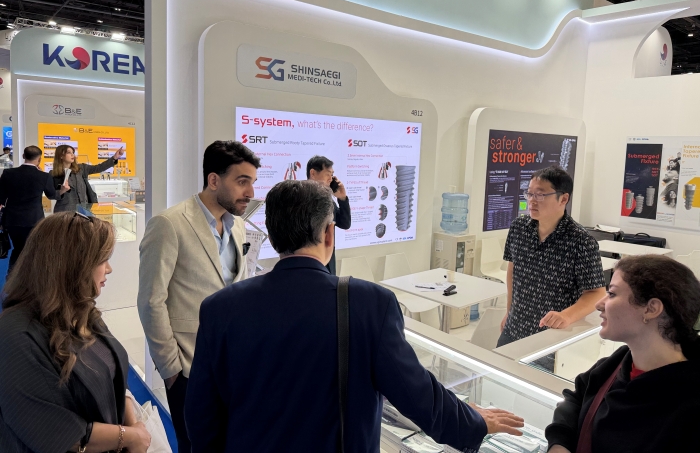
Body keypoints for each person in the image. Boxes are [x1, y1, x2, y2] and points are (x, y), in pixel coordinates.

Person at [185, 180, 524, 452]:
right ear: (329, 234)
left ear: (272, 238)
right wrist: (473, 422)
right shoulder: (369, 303)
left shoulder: (220, 308)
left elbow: (200, 414)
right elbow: (416, 393)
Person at [138, 140, 259, 453]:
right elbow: (151, 301)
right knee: (194, 445)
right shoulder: (169, 224)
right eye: (242, 181)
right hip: (188, 367)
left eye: (252, 182)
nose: (250, 192)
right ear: (214, 180)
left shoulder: (238, 226)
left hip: (232, 364)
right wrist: (171, 371)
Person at [0, 212, 151, 453]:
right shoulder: (16, 337)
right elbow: (53, 431)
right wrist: (129, 437)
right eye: (102, 260)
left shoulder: (82, 311)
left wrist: (132, 426)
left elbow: (113, 374)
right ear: (74, 265)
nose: (109, 269)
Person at [546, 255, 700, 453]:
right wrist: (560, 444)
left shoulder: (689, 409)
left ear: (651, 309)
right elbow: (576, 399)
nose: (599, 304)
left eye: (611, 294)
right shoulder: (619, 362)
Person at [498, 166, 606, 348]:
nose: (532, 201)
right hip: (515, 327)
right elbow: (513, 270)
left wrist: (566, 316)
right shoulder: (518, 228)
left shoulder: (581, 241)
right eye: (529, 194)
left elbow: (597, 293)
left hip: (551, 336)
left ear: (563, 199)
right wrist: (509, 311)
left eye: (540, 195)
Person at [0, 145, 56, 268]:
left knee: (18, 249)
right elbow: (52, 195)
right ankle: (30, 276)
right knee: (33, 250)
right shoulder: (44, 176)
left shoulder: (8, 173)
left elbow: (1, 198)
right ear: (39, 159)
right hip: (34, 219)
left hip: (12, 219)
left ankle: (12, 275)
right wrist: (62, 190)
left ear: (23, 156)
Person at [306, 155, 351, 274]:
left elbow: (345, 223)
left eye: (332, 174)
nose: (331, 179)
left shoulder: (327, 199)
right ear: (313, 173)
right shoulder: (300, 197)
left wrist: (342, 199)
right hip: (309, 261)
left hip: (328, 261)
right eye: (327, 174)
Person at [51, 144, 125, 212]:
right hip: (64, 213)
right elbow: (51, 195)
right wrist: (62, 191)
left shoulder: (81, 168)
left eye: (73, 152)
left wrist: (115, 157)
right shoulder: (53, 174)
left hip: (83, 210)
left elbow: (99, 168)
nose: (72, 154)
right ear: (61, 156)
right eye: (68, 152)